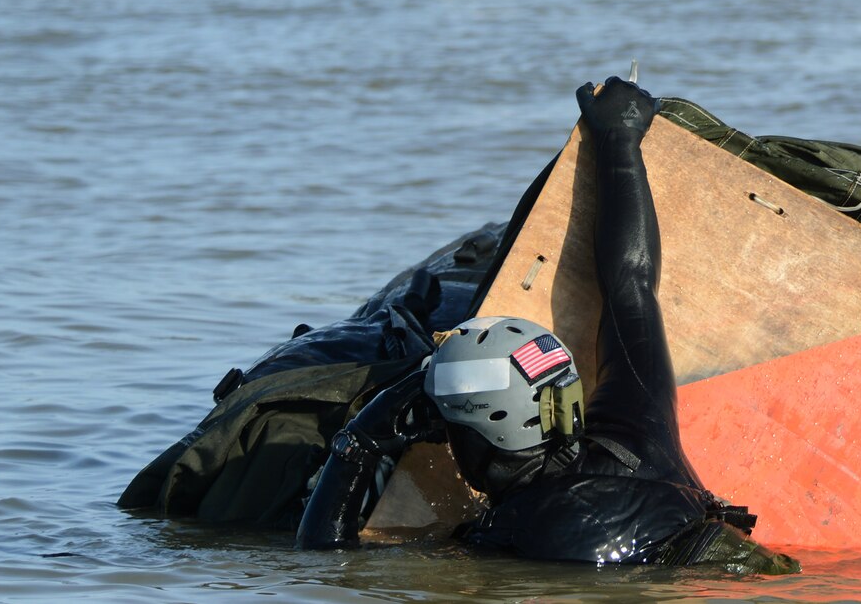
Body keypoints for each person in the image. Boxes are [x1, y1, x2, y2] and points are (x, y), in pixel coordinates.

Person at [296, 78, 798, 574]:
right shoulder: (640, 433)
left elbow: (330, 566)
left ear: (477, 440)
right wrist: (620, 138)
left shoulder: (504, 539)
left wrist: (356, 443)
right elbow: (632, 282)